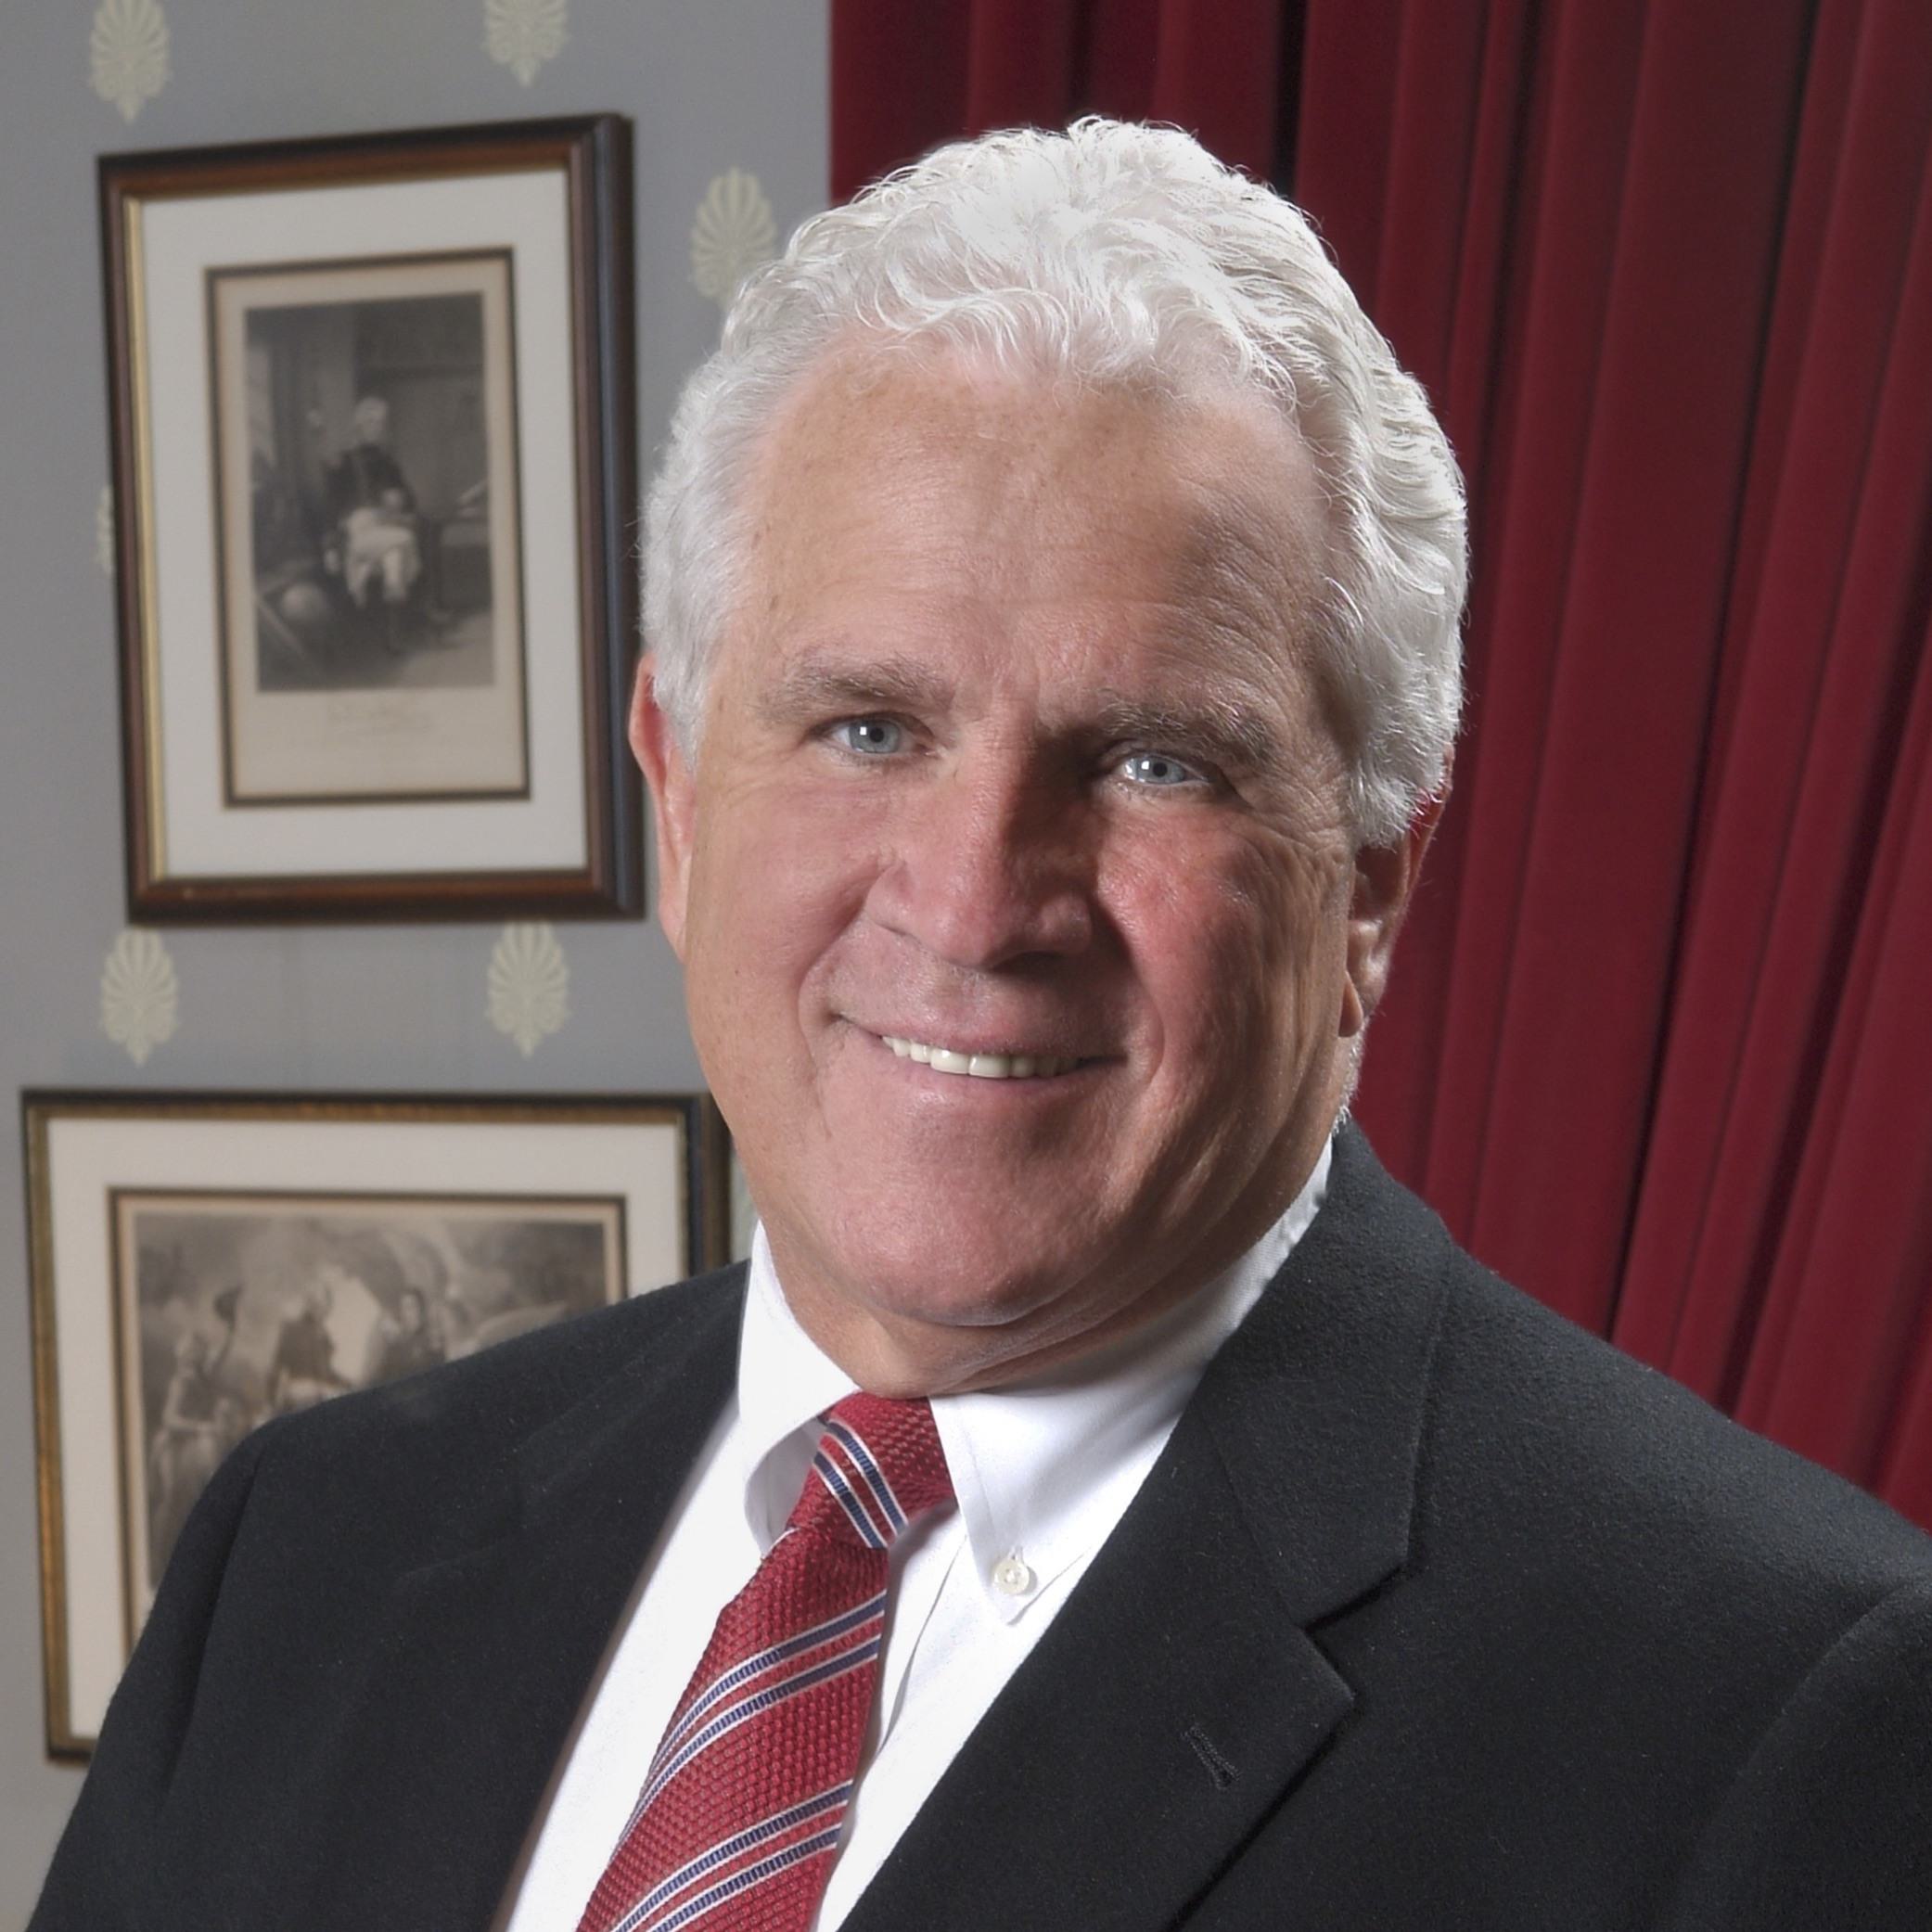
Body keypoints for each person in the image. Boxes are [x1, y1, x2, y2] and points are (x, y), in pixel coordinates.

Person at [32, 120, 1932, 1932]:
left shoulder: (1781, 1724)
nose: (971, 900)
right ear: (678, 796)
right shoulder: (310, 1547)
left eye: (1152, 758)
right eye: (868, 724)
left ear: (1364, 888)